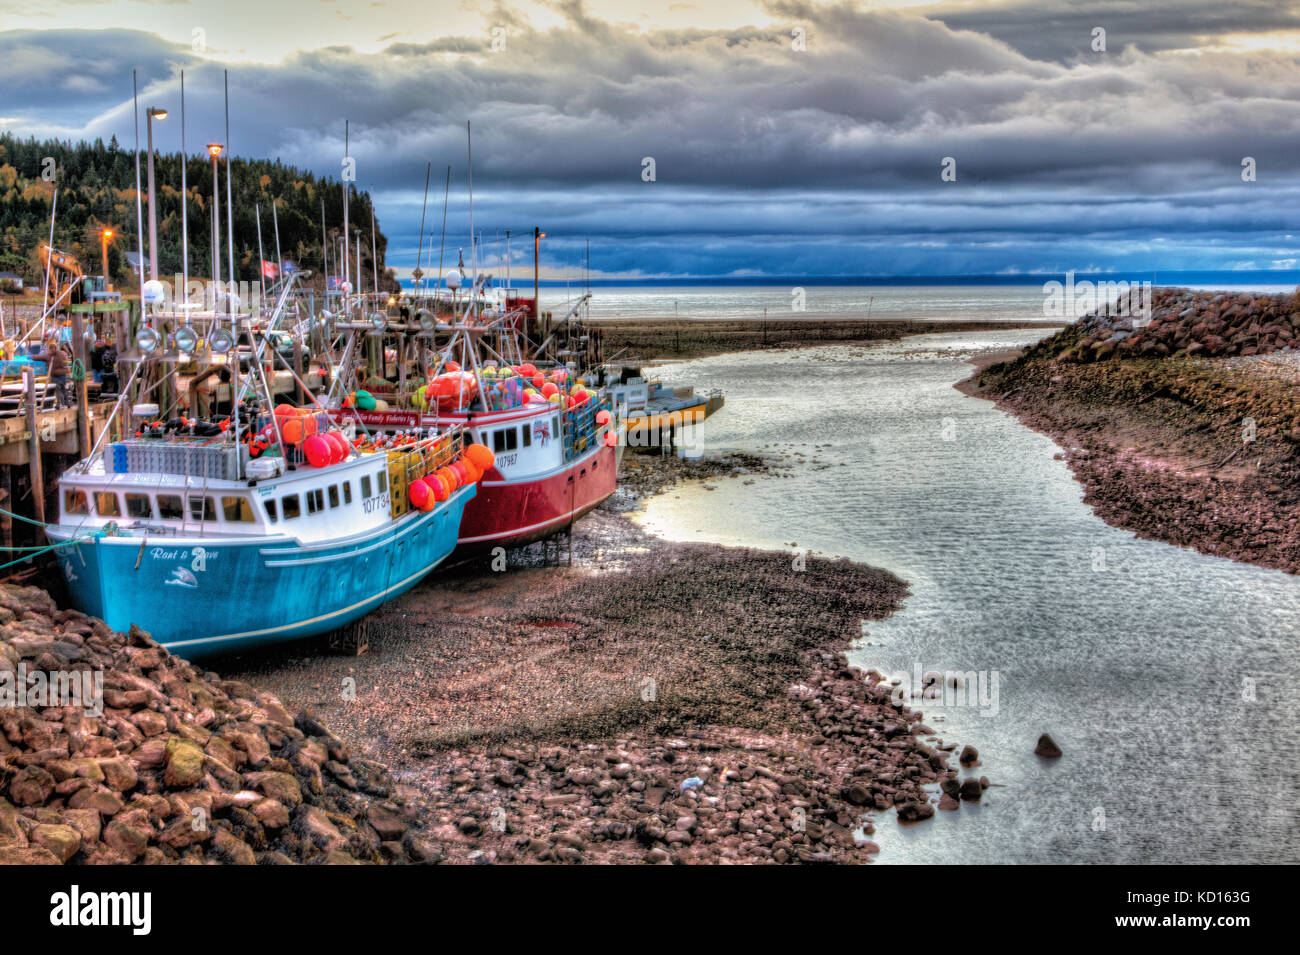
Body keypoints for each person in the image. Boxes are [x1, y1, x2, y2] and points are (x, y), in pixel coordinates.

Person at [38, 336, 71, 408]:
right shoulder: (62, 354)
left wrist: (31, 357)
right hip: (65, 376)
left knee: (58, 391)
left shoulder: (50, 356)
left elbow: (39, 357)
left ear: (50, 349)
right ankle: (68, 404)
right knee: (65, 390)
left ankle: (60, 404)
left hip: (57, 377)